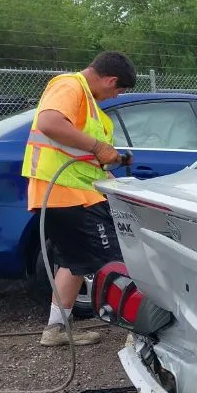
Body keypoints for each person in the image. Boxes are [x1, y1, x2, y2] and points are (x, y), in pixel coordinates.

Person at [21, 51, 135, 347]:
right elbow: (49, 122)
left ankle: (55, 331)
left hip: (71, 191)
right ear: (110, 79)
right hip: (67, 193)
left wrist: (113, 182)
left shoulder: (88, 102)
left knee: (71, 262)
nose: (114, 96)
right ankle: (139, 335)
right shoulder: (70, 86)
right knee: (115, 260)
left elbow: (82, 156)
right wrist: (99, 146)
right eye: (118, 89)